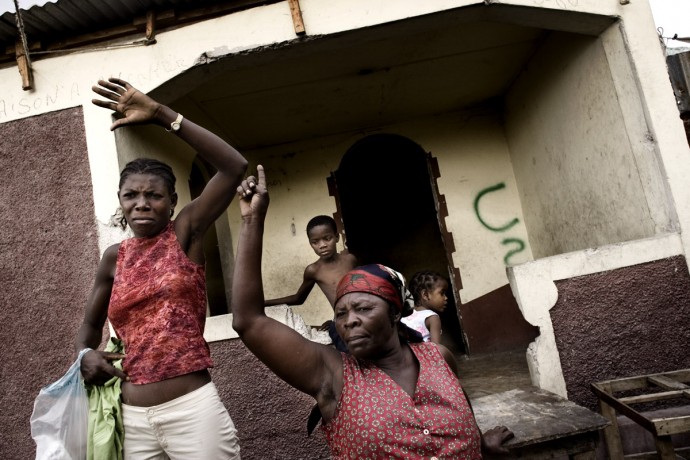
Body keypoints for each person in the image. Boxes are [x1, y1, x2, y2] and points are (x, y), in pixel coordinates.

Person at [231, 165, 513, 458]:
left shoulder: (439, 359)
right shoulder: (334, 375)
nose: (350, 320)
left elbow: (460, 403)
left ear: (395, 312)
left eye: (363, 308)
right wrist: (252, 220)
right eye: (340, 314)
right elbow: (248, 321)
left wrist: (482, 445)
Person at [75, 77, 246, 459]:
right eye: (131, 195)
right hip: (132, 417)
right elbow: (89, 327)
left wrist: (161, 115)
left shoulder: (185, 231)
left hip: (192, 410)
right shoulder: (114, 258)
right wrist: (85, 355)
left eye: (153, 195)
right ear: (120, 201)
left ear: (171, 202)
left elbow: (233, 167)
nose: (141, 203)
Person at [264, 214, 357, 352]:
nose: (322, 245)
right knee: (349, 352)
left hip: (361, 314)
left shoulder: (350, 260)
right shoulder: (313, 270)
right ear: (310, 244)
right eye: (315, 242)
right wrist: (263, 303)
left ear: (336, 237)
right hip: (342, 321)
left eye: (327, 238)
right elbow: (298, 298)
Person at [401, 270, 449, 344]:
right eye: (442, 293)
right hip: (424, 355)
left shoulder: (404, 316)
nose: (446, 298)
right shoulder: (432, 317)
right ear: (425, 295)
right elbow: (436, 350)